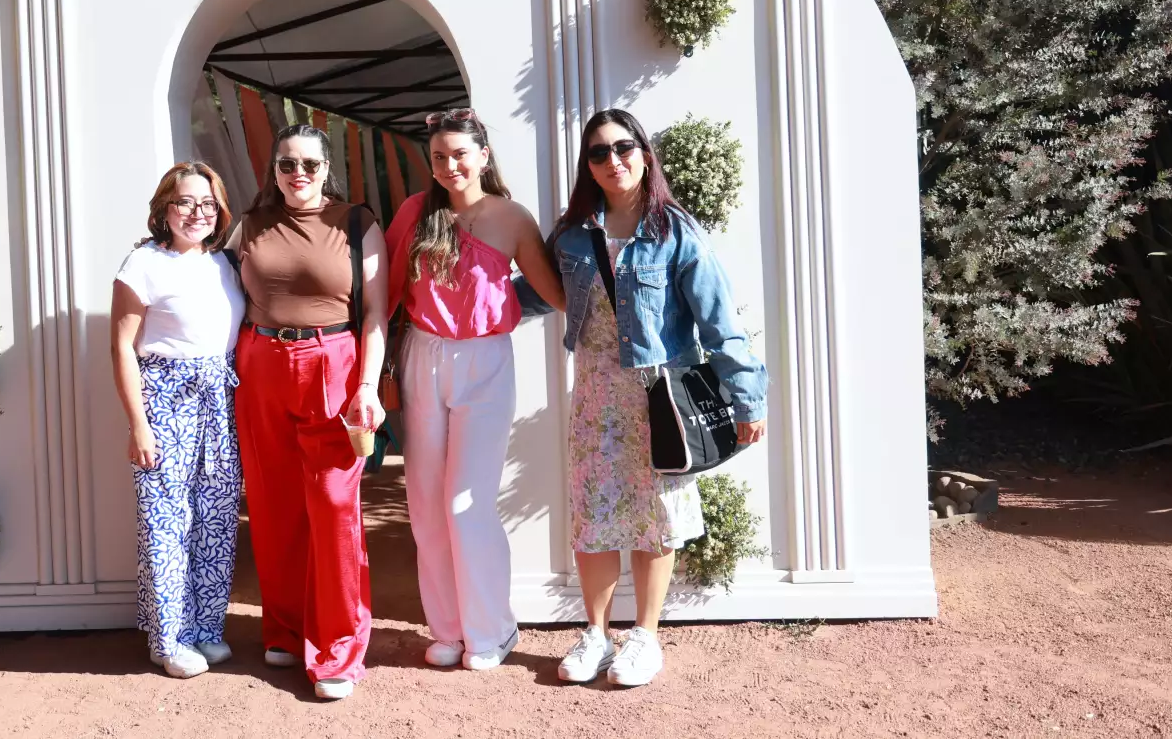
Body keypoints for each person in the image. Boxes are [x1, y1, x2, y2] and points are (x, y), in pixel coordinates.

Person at [547, 109, 768, 687]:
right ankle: (595, 634)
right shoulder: (572, 233)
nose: (613, 160)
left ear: (645, 154)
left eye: (624, 147)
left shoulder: (676, 232)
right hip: (595, 397)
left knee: (655, 519)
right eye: (598, 152)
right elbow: (529, 291)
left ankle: (645, 637)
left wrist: (748, 400)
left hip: (657, 398)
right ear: (587, 166)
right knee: (592, 517)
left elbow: (719, 322)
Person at [383, 109, 565, 671]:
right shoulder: (417, 212)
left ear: (484, 155)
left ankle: (492, 628)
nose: (450, 165)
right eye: (439, 156)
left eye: (460, 153)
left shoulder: (512, 218)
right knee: (424, 502)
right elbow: (383, 296)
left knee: (468, 503)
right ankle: (448, 629)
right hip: (420, 355)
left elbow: (555, 293)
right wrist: (379, 372)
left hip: (485, 360)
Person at [228, 124, 388, 701]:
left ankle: (338, 647)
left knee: (333, 505)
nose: (298, 175)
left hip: (333, 363)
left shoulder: (356, 223)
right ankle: (286, 629)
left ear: (328, 170)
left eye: (310, 166)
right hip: (261, 360)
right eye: (287, 165)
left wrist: (368, 385)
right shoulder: (247, 225)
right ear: (273, 170)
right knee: (273, 504)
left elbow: (374, 314)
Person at [110, 162, 246, 679]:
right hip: (165, 396)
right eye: (185, 202)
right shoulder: (142, 263)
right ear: (165, 208)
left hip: (218, 399)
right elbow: (122, 347)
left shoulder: (222, 263)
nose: (197, 212)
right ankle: (168, 638)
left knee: (214, 517)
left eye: (207, 204)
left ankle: (204, 629)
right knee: (166, 520)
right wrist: (138, 425)